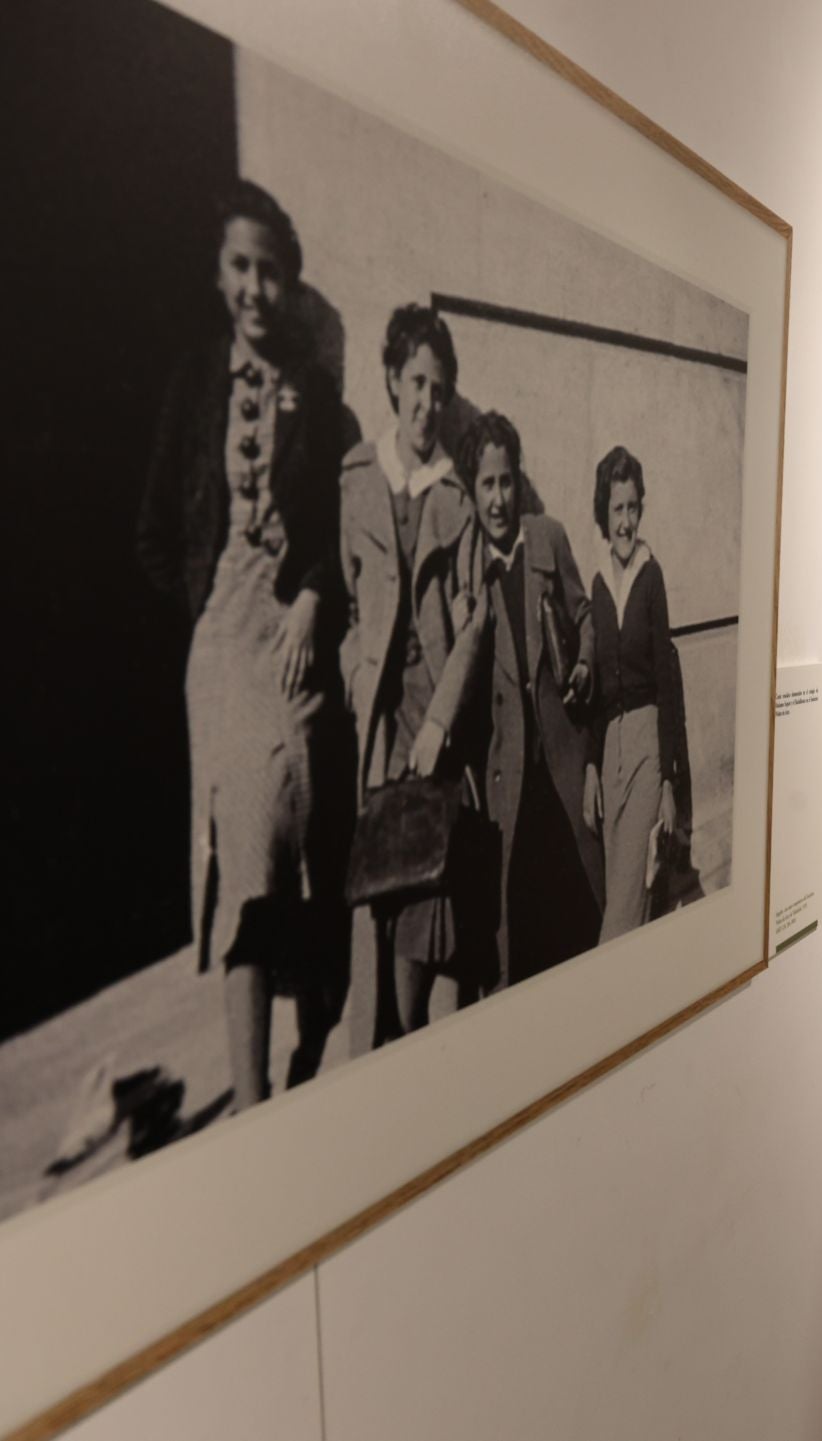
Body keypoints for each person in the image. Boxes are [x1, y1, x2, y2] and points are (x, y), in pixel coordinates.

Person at [136, 182, 347, 1111]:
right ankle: (257, 1101)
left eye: (269, 269)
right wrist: (203, 606)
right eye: (239, 266)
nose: (255, 287)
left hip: (288, 637)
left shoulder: (318, 392)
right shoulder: (192, 384)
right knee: (240, 863)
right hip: (222, 647)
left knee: (287, 834)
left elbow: (337, 523)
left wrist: (309, 594)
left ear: (287, 280)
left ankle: (304, 1051)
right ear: (218, 274)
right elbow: (153, 528)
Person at [339, 304, 488, 1051]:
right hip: (377, 737)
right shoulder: (358, 481)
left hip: (432, 738)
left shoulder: (454, 499)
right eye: (417, 384)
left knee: (426, 919)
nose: (428, 403)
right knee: (380, 914)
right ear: (393, 381)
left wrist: (440, 722)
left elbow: (475, 623)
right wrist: (353, 670)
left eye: (440, 388)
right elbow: (347, 603)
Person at [457, 412, 604, 989]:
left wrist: (586, 661)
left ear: (518, 480)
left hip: (561, 757)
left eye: (505, 482)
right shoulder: (468, 567)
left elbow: (584, 613)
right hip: (507, 775)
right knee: (521, 928)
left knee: (579, 911)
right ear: (472, 491)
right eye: (486, 485)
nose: (498, 499)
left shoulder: (548, 537)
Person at [585, 445, 690, 939]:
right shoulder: (599, 584)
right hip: (610, 752)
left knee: (620, 915)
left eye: (632, 508)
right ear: (604, 514)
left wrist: (669, 781)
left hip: (648, 744)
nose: (625, 521)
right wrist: (590, 768)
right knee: (624, 893)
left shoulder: (652, 576)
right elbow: (594, 689)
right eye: (617, 509)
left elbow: (667, 685)